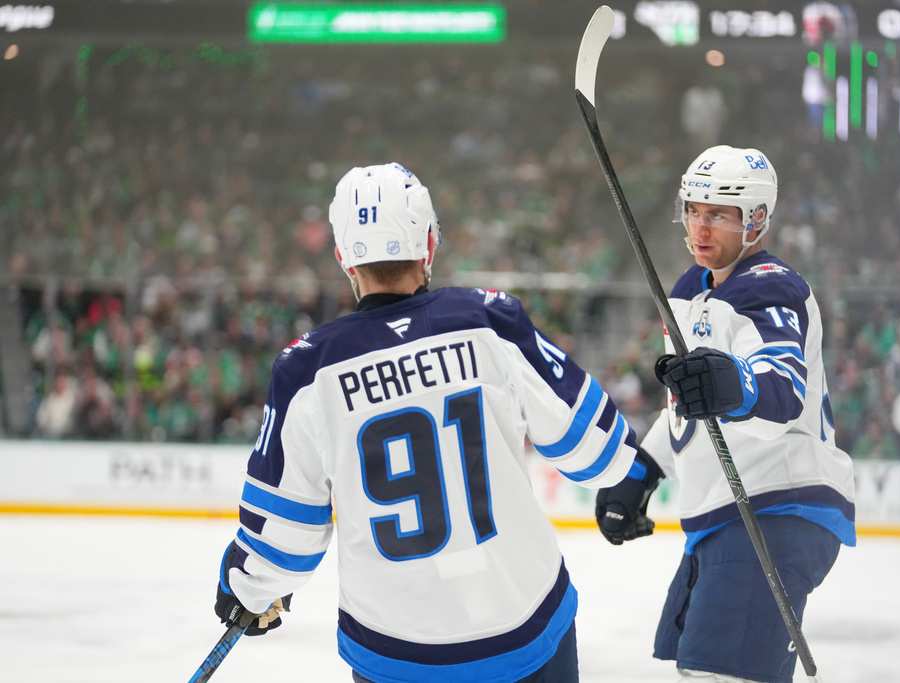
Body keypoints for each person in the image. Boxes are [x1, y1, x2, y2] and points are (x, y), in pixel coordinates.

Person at [207, 162, 650, 683]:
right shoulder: (491, 321)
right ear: (429, 245)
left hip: (397, 654)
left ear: (344, 259)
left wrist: (244, 586)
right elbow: (596, 451)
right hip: (526, 630)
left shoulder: (307, 371)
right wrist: (630, 468)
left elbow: (281, 539)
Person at [595, 146, 856, 683]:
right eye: (693, 209)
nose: (699, 226)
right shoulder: (690, 290)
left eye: (718, 214)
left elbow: (781, 390)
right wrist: (640, 472)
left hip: (778, 509)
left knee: (720, 675)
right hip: (722, 517)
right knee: (700, 671)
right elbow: (686, 410)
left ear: (755, 219)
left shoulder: (771, 287)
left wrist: (733, 383)